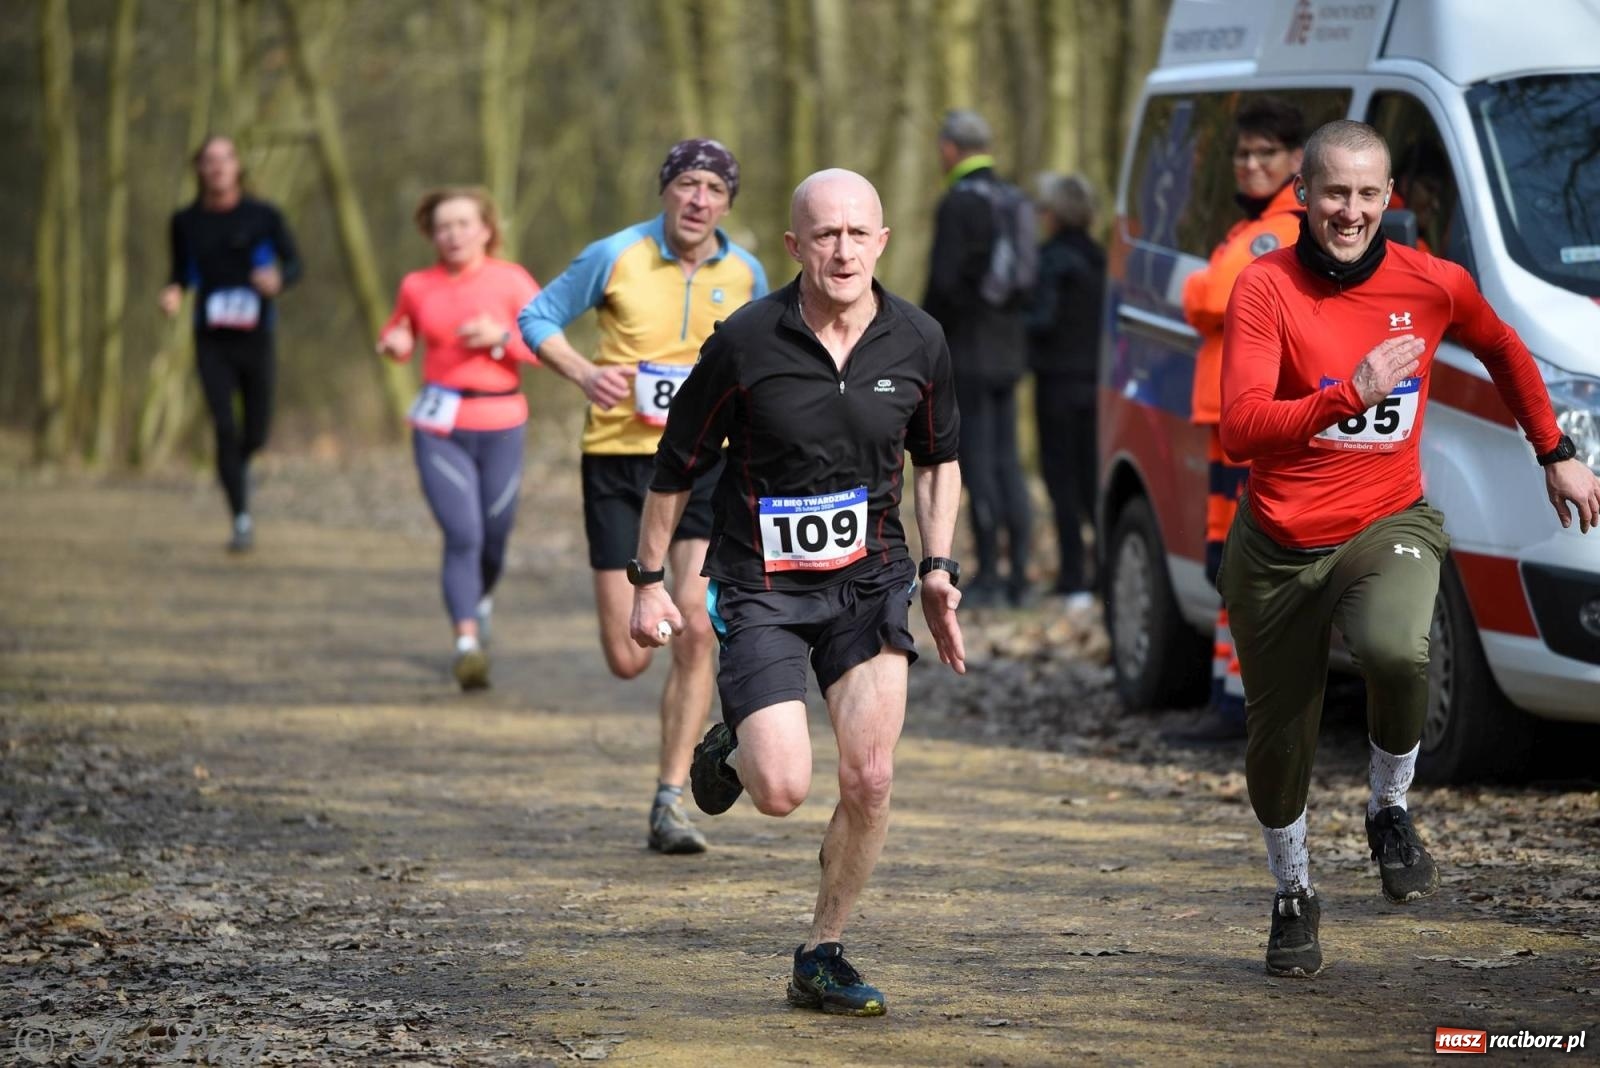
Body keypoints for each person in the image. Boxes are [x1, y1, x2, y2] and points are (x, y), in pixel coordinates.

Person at [1217, 120, 1600, 978]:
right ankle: (1293, 894)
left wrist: (1555, 451)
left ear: (1389, 197)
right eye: (1333, 193)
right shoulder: (1265, 287)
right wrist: (1347, 395)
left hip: (1386, 519)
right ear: (1303, 196)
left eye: (1367, 194)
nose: (1350, 211)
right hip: (1278, 543)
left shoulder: (1432, 282)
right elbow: (1241, 428)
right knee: (1279, 742)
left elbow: (1504, 348)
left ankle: (1388, 809)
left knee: (1397, 649)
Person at [630, 168, 965, 1017]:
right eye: (825, 235)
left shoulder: (919, 339)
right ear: (794, 245)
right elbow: (676, 464)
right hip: (761, 589)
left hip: (869, 582)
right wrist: (647, 581)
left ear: (882, 241)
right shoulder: (745, 342)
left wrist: (938, 567)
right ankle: (729, 751)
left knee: (871, 777)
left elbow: (939, 460)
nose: (843, 251)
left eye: (857, 234)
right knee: (780, 791)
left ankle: (823, 952)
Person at [516, 139, 768, 855]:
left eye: (714, 189)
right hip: (619, 462)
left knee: (695, 629)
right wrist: (581, 372)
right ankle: (637, 615)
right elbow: (536, 318)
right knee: (630, 657)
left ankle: (670, 800)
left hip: (703, 463)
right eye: (687, 184)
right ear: (666, 190)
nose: (699, 199)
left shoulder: (746, 273)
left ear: (727, 203)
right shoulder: (614, 255)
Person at [1178, 97, 1306, 743]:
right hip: (1230, 420)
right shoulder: (1253, 225)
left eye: (1266, 154)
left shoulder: (1281, 229)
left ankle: (1249, 709)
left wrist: (1200, 287)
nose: (1251, 164)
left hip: (1255, 421)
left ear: (1297, 160)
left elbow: (1214, 294)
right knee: (1227, 562)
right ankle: (1230, 702)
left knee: (1246, 564)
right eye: (1243, 153)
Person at [377, 188, 540, 691]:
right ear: (431, 234)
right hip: (440, 426)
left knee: (494, 533)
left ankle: (480, 599)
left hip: (502, 421)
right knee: (463, 533)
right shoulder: (417, 285)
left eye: (464, 224)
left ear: (486, 229)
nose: (453, 235)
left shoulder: (511, 280)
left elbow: (544, 346)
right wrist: (395, 344)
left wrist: (500, 338)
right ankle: (466, 643)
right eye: (443, 227)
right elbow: (399, 334)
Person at [160, 135, 301, 552]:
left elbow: (295, 263)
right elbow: (180, 272)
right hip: (211, 339)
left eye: (225, 159)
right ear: (199, 169)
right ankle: (241, 518)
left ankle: (235, 468)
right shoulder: (185, 222)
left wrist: (278, 279)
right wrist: (173, 292)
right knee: (224, 425)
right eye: (209, 160)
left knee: (255, 432)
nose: (218, 166)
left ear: (238, 166)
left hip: (256, 336)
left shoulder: (264, 216)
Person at [923, 109, 1032, 608]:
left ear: (950, 149)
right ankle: (1019, 575)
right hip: (1010, 350)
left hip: (968, 350)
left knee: (977, 462)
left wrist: (923, 338)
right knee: (1009, 461)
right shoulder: (1012, 197)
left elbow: (944, 283)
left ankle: (988, 573)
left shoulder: (958, 203)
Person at [1025, 173, 1104, 611]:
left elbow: (1042, 319)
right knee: (1092, 481)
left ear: (1054, 214)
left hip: (1057, 383)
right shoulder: (1101, 258)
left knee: (1062, 482)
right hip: (1096, 384)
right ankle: (1104, 571)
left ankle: (1073, 576)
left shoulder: (1050, 260)